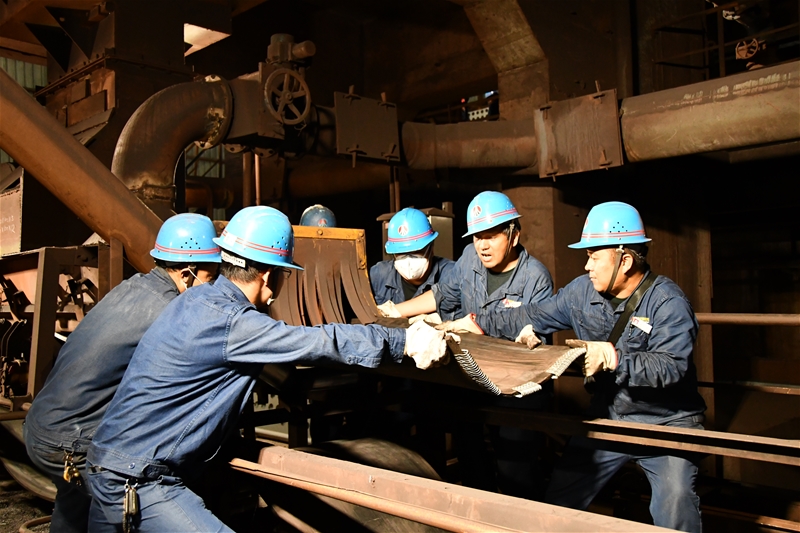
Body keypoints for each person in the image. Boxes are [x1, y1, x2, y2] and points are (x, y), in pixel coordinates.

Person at [84, 206, 450, 533]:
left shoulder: (196, 299)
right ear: (268, 276)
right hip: (139, 480)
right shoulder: (234, 323)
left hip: (105, 464)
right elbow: (320, 341)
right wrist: (403, 341)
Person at [439, 201, 706, 533]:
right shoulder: (581, 292)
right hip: (610, 417)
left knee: (676, 504)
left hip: (666, 424)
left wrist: (614, 358)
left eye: (594, 256)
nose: (587, 265)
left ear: (624, 260)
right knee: (558, 505)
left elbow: (672, 365)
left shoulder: (667, 302)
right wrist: (475, 323)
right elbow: (531, 314)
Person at [23, 213, 221, 533]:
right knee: (141, 502)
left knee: (74, 508)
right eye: (210, 277)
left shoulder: (134, 288)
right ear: (187, 274)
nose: (212, 286)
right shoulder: (167, 311)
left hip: (43, 427)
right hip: (72, 443)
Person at [381, 191, 554, 499]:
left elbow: (535, 343)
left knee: (515, 472)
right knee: (471, 461)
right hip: (473, 382)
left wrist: (480, 325)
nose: (482, 245)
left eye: (491, 236)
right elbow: (442, 295)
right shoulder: (469, 259)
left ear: (513, 236)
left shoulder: (535, 278)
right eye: (477, 237)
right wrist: (395, 311)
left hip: (517, 391)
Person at [370, 207, 458, 320]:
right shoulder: (379, 275)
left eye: (416, 251)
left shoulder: (452, 273)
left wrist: (394, 311)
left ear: (431, 249)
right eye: (401, 253)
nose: (408, 259)